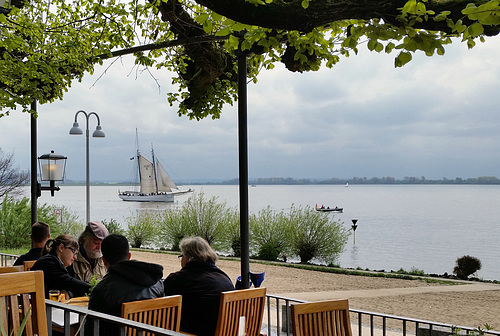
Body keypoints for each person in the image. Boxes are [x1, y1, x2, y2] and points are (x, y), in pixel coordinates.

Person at [88, 234, 164, 336]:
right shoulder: (157, 282)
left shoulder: (102, 290)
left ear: (104, 261)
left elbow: (91, 330)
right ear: (128, 256)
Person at [163, 236, 235, 336]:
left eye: (182, 256)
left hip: (194, 332)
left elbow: (161, 304)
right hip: (226, 332)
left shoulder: (180, 278)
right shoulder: (223, 277)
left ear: (188, 258)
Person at [31, 234, 90, 298]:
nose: (75, 257)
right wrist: (93, 288)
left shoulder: (56, 262)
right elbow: (67, 282)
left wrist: (69, 293)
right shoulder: (48, 262)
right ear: (61, 248)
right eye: (74, 252)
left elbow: (70, 285)